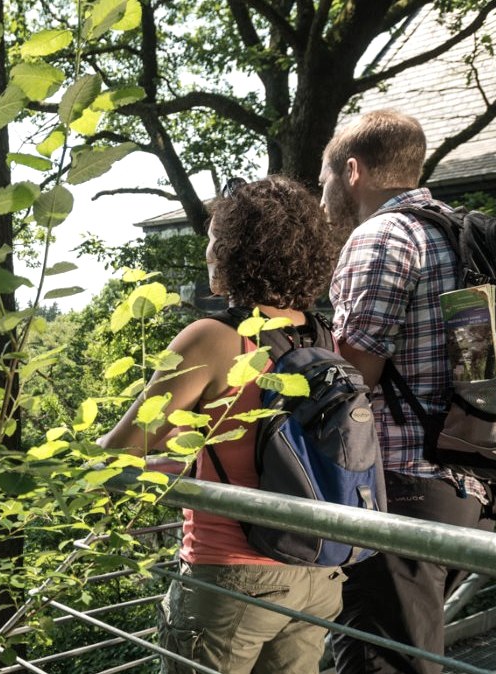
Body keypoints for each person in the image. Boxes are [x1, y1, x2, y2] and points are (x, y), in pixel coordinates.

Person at [102, 175, 344, 674]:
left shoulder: (212, 338)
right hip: (316, 576)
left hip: (230, 580)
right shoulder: (324, 339)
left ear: (237, 251)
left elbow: (123, 448)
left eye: (214, 237)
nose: (208, 249)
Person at [321, 109, 496, 674]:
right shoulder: (460, 231)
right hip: (464, 483)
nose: (321, 199)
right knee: (408, 653)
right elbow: (478, 363)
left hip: (399, 489)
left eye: (322, 181)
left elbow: (353, 378)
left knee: (381, 661)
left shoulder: (381, 236)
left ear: (352, 170)